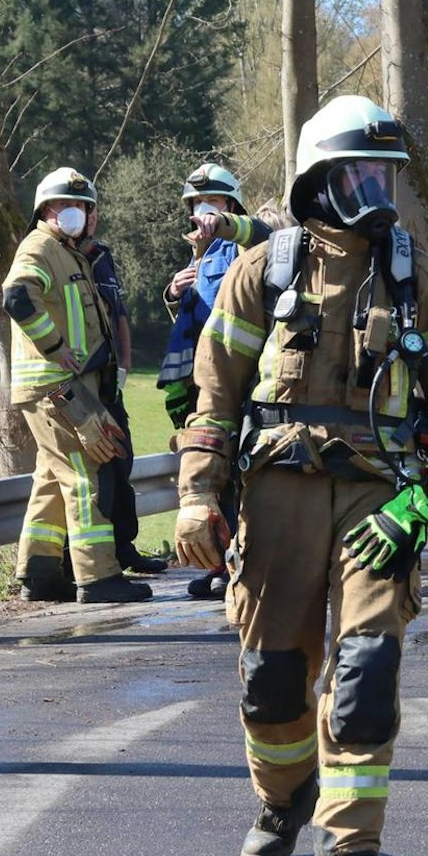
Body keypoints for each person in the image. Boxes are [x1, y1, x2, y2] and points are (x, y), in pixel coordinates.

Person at [172, 95, 428, 856]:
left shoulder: (417, 276)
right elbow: (212, 398)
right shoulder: (265, 272)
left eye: (384, 172)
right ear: (318, 179)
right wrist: (194, 499)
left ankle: (350, 847)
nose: (377, 189)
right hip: (277, 494)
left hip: (379, 499)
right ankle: (284, 797)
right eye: (360, 172)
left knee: (367, 666)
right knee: (273, 680)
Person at [1, 168, 153, 605]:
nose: (74, 213)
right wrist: (55, 346)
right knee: (87, 475)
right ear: (44, 211)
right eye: (62, 205)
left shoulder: (68, 253)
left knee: (52, 476)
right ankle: (98, 577)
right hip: (58, 388)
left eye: (81, 206)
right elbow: (16, 296)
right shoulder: (41, 248)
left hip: (62, 386)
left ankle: (40, 572)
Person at [157, 163, 270, 599]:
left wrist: (227, 225)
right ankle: (223, 563)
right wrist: (173, 294)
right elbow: (197, 319)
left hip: (234, 383)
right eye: (197, 205)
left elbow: (263, 234)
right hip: (199, 387)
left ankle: (239, 565)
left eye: (215, 204)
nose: (203, 212)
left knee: (238, 477)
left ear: (231, 206)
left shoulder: (244, 246)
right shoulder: (198, 255)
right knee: (212, 478)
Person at [83, 203, 166, 578]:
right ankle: (90, 561)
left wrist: (125, 369)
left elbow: (119, 315)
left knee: (122, 461)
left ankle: (124, 546)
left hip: (110, 383)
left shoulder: (102, 257)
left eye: (91, 212)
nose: (88, 219)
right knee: (96, 472)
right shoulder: (61, 258)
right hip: (81, 385)